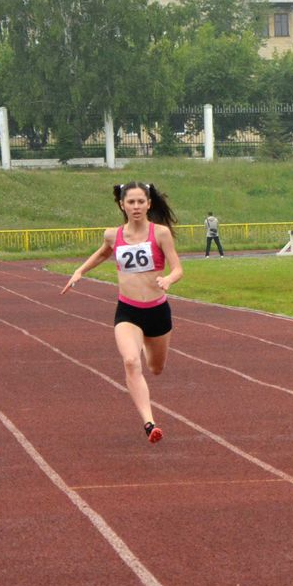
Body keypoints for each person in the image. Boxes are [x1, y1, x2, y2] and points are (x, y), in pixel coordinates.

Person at [61, 182, 183, 444]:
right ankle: (149, 424)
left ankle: (151, 358)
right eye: (131, 202)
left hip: (158, 311)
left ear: (149, 203)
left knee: (155, 367)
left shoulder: (160, 233)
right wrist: (80, 271)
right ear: (122, 205)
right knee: (130, 361)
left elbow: (178, 268)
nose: (136, 207)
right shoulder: (112, 235)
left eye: (141, 201)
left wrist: (169, 280)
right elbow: (103, 253)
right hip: (128, 311)